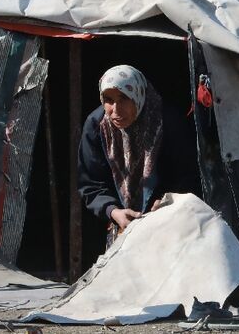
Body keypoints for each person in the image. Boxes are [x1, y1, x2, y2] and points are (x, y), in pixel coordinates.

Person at [78, 65, 201, 246]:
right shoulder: (97, 126)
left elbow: (188, 173)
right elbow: (90, 182)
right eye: (109, 100)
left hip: (170, 221)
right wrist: (113, 211)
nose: (116, 109)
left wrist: (168, 201)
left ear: (138, 94)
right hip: (120, 225)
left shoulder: (167, 122)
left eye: (124, 98)